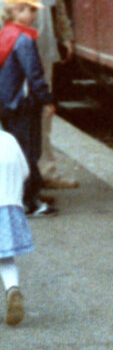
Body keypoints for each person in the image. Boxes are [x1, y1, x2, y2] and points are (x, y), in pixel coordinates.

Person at [24, 0, 75, 189]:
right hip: (22, 42)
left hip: (45, 40)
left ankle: (46, 171)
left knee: (44, 107)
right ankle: (31, 175)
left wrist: (64, 33)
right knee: (24, 108)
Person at [0, 0, 55, 217]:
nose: (34, 14)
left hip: (7, 105)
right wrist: (47, 100)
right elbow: (34, 75)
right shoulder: (23, 39)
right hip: (23, 105)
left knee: (17, 152)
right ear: (16, 10)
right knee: (29, 153)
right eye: (30, 9)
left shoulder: (5, 34)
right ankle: (30, 202)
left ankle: (20, 198)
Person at [0, 125, 32, 324]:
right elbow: (25, 171)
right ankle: (12, 289)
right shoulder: (9, 140)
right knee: (5, 257)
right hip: (10, 207)